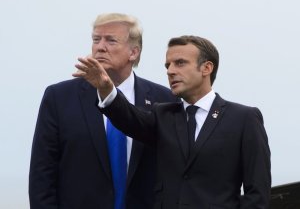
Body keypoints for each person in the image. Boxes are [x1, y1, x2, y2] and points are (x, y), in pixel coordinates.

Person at [73, 35, 272, 208]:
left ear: (206, 68)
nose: (170, 71)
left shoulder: (244, 119)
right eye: (168, 65)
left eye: (180, 63)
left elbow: (257, 192)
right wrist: (106, 89)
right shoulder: (162, 114)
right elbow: (129, 119)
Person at [29, 13, 178, 209]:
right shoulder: (59, 97)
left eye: (111, 40)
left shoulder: (164, 99)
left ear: (133, 52)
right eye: (96, 39)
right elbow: (42, 174)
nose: (100, 46)